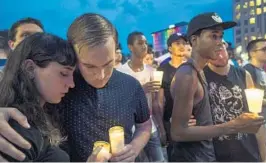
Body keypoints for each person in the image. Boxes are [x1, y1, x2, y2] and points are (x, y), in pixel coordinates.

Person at [0, 13, 151, 162]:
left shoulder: (131, 85)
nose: (101, 75)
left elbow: (144, 124)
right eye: (89, 66)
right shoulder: (59, 87)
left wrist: (135, 147)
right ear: (72, 54)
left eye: (108, 63)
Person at [170, 12, 265, 161]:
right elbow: (177, 132)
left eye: (221, 36)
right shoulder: (187, 74)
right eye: (214, 36)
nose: (220, 42)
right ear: (194, 40)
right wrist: (233, 125)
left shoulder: (198, 71)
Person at [0, 32, 76, 161]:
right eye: (64, 73)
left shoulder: (45, 113)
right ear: (29, 68)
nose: (72, 84)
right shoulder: (17, 126)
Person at [204, 41, 266, 161]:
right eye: (214, 52)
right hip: (217, 153)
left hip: (248, 150)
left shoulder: (243, 74)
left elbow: (256, 118)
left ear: (226, 48)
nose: (220, 55)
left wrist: (265, 157)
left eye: (221, 49)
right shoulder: (201, 76)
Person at [117, 31, 165, 161]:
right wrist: (139, 91)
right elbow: (117, 102)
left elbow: (155, 102)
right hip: (130, 129)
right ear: (130, 47)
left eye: (145, 43)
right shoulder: (120, 72)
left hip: (150, 126)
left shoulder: (151, 71)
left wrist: (161, 127)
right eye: (139, 43)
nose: (144, 46)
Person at [155, 33, 194, 160]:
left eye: (184, 43)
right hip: (171, 121)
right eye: (177, 44)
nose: (182, 46)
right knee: (175, 156)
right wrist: (161, 128)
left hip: (192, 120)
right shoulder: (162, 69)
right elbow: (159, 102)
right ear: (170, 48)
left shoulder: (191, 67)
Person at [243, 39, 266, 161]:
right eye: (264, 49)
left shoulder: (263, 71)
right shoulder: (248, 70)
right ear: (252, 53)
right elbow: (253, 98)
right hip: (265, 122)